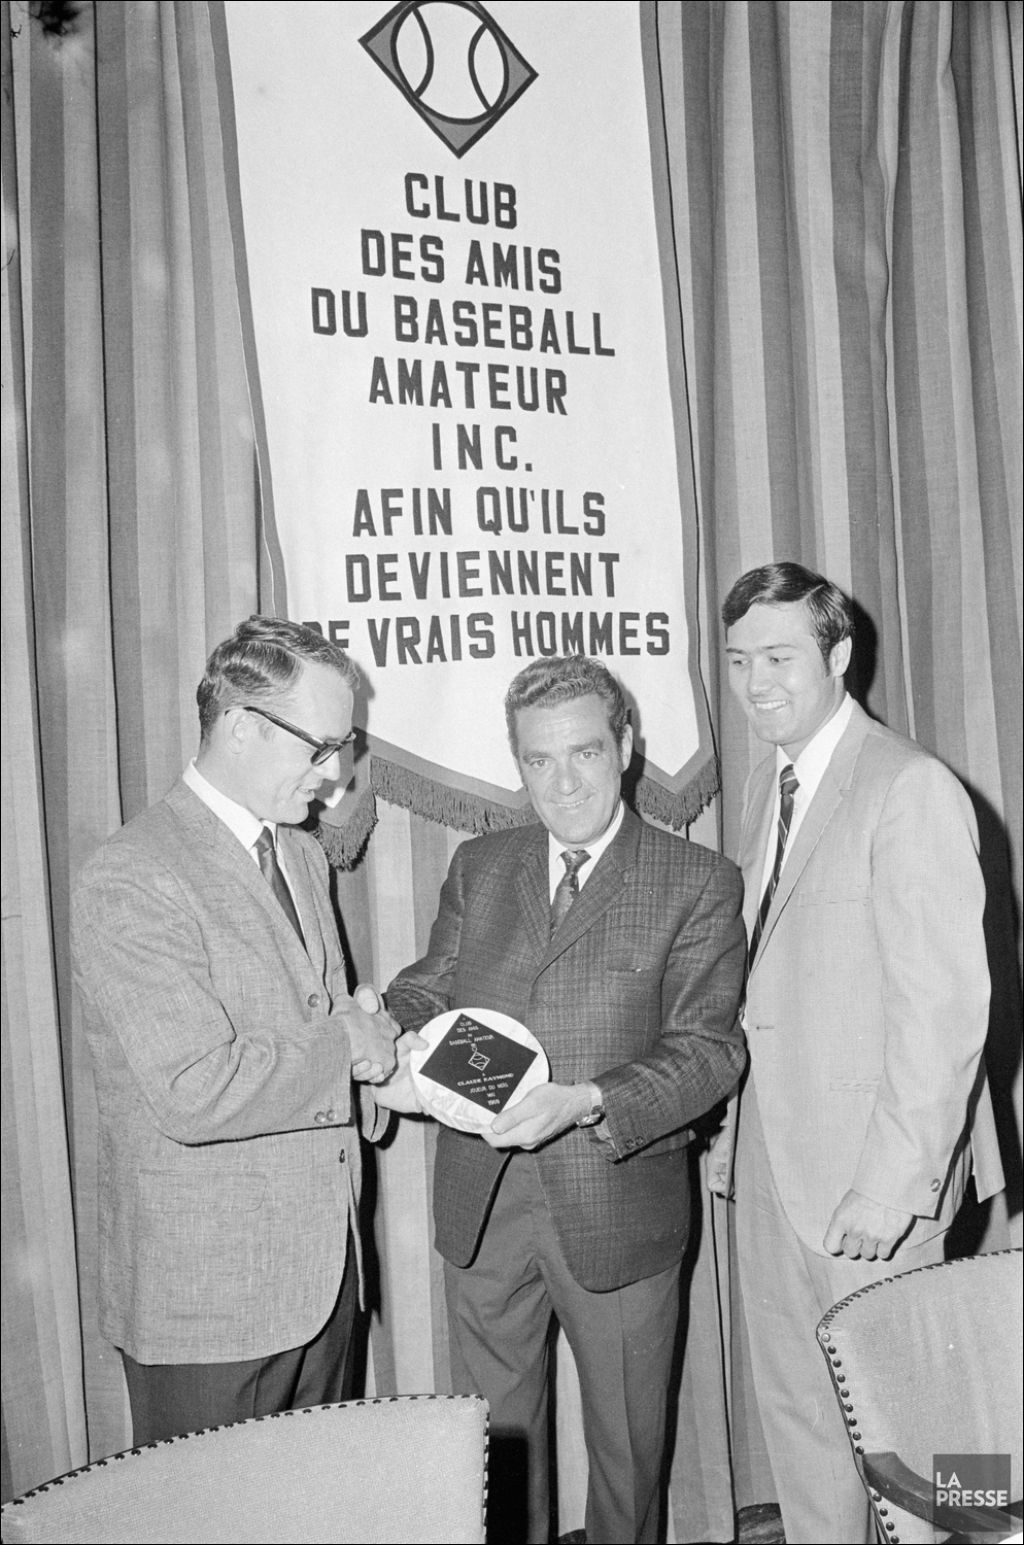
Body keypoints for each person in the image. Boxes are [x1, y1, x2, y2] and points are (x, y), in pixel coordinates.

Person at [378, 655, 747, 1545]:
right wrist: (385, 1029)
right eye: (539, 760)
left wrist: (586, 1099)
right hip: (484, 1204)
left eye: (584, 752)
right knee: (494, 1458)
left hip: (617, 1207)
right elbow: (428, 988)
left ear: (626, 746)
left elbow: (708, 1052)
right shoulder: (481, 864)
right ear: (518, 763)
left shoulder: (696, 879)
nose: (563, 782)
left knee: (628, 1457)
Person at [713, 563, 1004, 1543]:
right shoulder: (772, 784)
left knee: (928, 1427)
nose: (756, 683)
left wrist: (893, 1185)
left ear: (838, 655)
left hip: (874, 1175)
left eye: (779, 657)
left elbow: (945, 1011)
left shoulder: (908, 786)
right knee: (805, 1426)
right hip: (776, 1165)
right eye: (740, 661)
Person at [71, 616, 403, 1445]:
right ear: (242, 727)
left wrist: (380, 1059)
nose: (337, 774)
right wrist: (348, 1046)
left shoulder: (301, 854)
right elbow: (193, 1087)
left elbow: (325, 1020)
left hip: (326, 1282)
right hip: (208, 1311)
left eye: (344, 747)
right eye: (321, 748)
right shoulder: (133, 871)